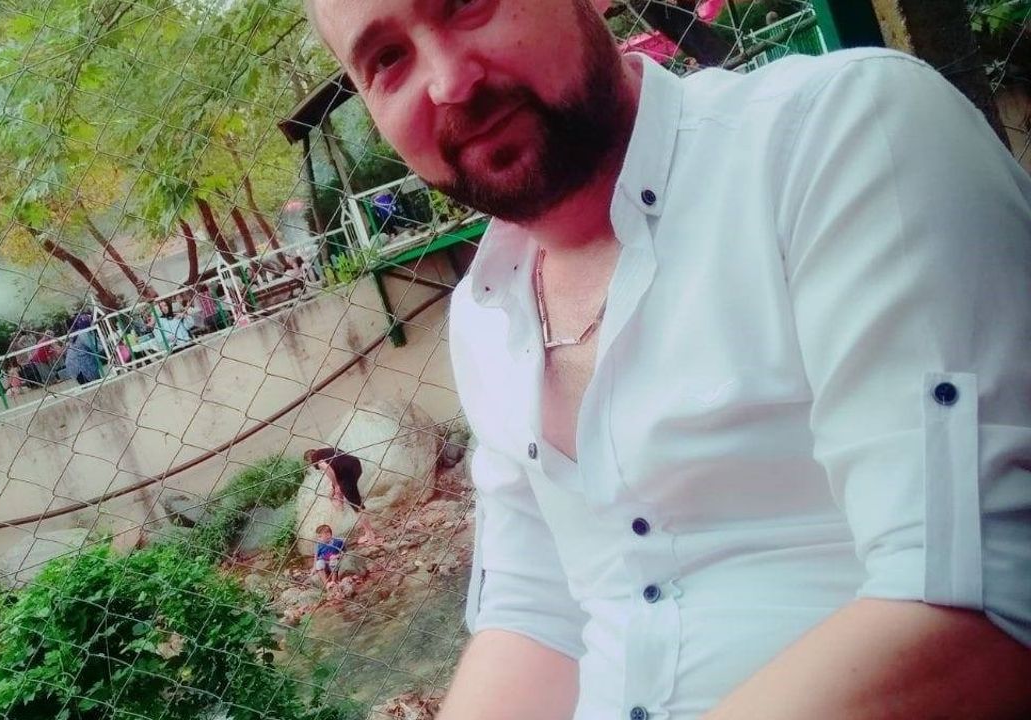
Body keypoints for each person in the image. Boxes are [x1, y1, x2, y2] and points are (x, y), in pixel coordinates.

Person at [305, 1, 1031, 719]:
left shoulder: (837, 136)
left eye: (468, 5)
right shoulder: (482, 316)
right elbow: (533, 617)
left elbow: (985, 600)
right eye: (386, 60)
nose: (449, 82)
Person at [304, 447, 379, 544]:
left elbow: (327, 467)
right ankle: (345, 507)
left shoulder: (315, 458)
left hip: (346, 472)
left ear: (309, 459)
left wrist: (336, 485)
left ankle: (369, 534)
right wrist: (335, 487)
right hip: (355, 465)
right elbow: (338, 462)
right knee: (344, 493)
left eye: (309, 463)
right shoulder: (327, 451)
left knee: (356, 506)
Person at [63, 313, 105, 384]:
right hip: (82, 365)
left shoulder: (77, 332)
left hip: (75, 365)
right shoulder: (83, 333)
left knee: (90, 384)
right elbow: (96, 347)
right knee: (93, 384)